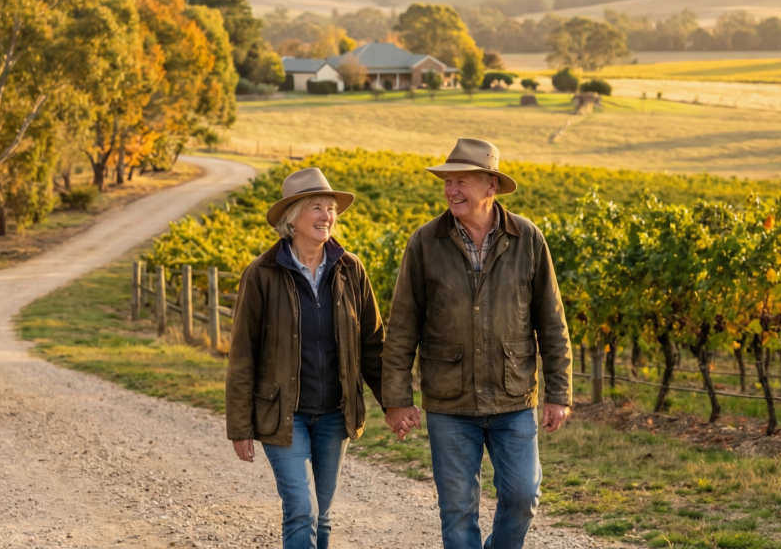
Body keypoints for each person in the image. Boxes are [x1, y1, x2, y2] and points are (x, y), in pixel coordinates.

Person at [380, 138, 573, 549]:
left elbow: (552, 323)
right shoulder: (424, 243)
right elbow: (401, 328)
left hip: (513, 397)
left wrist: (559, 392)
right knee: (457, 511)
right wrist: (396, 399)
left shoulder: (529, 239)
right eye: (447, 182)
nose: (451, 190)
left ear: (491, 186)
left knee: (523, 497)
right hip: (449, 401)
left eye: (461, 181)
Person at [226, 167, 386, 549]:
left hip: (336, 412)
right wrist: (239, 425)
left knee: (323, 515)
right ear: (291, 218)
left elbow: (373, 344)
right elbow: (243, 353)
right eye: (316, 207)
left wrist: (394, 403)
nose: (327, 216)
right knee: (302, 509)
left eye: (331, 208)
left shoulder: (351, 269)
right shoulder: (262, 274)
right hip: (283, 415)